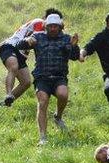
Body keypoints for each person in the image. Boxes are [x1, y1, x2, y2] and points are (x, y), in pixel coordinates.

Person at [16, 13, 79, 145]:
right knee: (43, 102)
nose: (53, 29)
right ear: (46, 26)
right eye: (50, 26)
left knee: (63, 94)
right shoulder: (38, 36)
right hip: (42, 77)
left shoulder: (67, 38)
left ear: (60, 27)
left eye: (56, 26)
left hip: (59, 76)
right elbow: (19, 45)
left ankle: (58, 117)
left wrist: (74, 46)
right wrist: (27, 41)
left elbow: (74, 57)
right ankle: (43, 137)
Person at [0, 13, 54, 107]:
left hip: (20, 53)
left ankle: (3, 105)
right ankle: (8, 94)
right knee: (13, 67)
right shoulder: (39, 22)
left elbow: (16, 36)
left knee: (26, 82)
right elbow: (37, 40)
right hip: (11, 47)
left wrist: (0, 44)